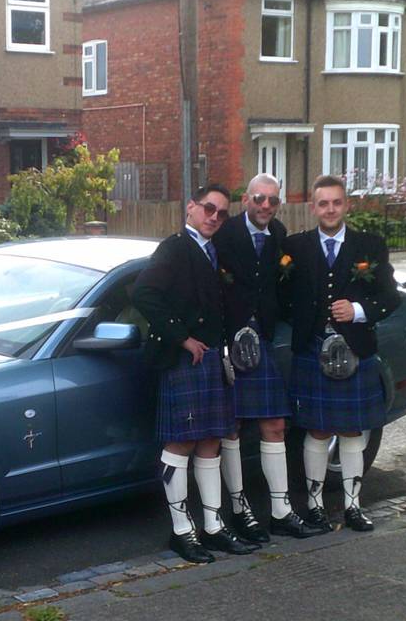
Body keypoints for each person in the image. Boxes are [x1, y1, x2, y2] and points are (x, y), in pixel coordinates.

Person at [133, 185, 259, 564]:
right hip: (183, 360)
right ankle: (182, 532)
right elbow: (143, 294)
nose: (214, 218)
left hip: (211, 359)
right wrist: (182, 338)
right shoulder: (174, 248)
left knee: (210, 442)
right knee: (181, 444)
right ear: (191, 207)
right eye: (208, 209)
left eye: (221, 213)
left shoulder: (212, 250)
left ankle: (214, 527)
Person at [281, 175, 401, 532]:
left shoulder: (370, 246)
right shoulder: (295, 247)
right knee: (317, 431)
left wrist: (359, 310)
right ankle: (315, 507)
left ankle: (352, 506)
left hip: (355, 348)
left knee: (352, 431)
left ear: (346, 205)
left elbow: (390, 297)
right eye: (323, 203)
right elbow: (283, 296)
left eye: (336, 202)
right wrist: (304, 318)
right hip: (312, 348)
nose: (330, 209)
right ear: (313, 208)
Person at [213, 174, 324, 542]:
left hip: (261, 340)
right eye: (259, 198)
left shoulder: (278, 233)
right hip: (228, 341)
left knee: (274, 425)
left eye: (272, 201)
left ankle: (280, 511)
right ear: (245, 198)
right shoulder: (223, 233)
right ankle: (241, 511)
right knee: (230, 429)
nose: (265, 206)